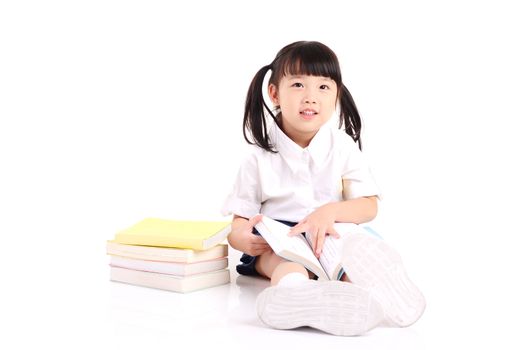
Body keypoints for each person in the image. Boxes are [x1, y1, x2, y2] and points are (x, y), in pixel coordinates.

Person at [221, 41, 425, 336]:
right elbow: (238, 222)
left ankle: (372, 294)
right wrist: (243, 238)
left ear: (336, 95)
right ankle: (296, 295)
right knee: (286, 264)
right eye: (298, 85)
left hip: (330, 234)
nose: (310, 98)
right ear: (274, 93)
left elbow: (368, 206)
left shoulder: (342, 146)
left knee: (347, 259)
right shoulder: (258, 157)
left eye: (323, 88)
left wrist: (329, 212)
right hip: (282, 240)